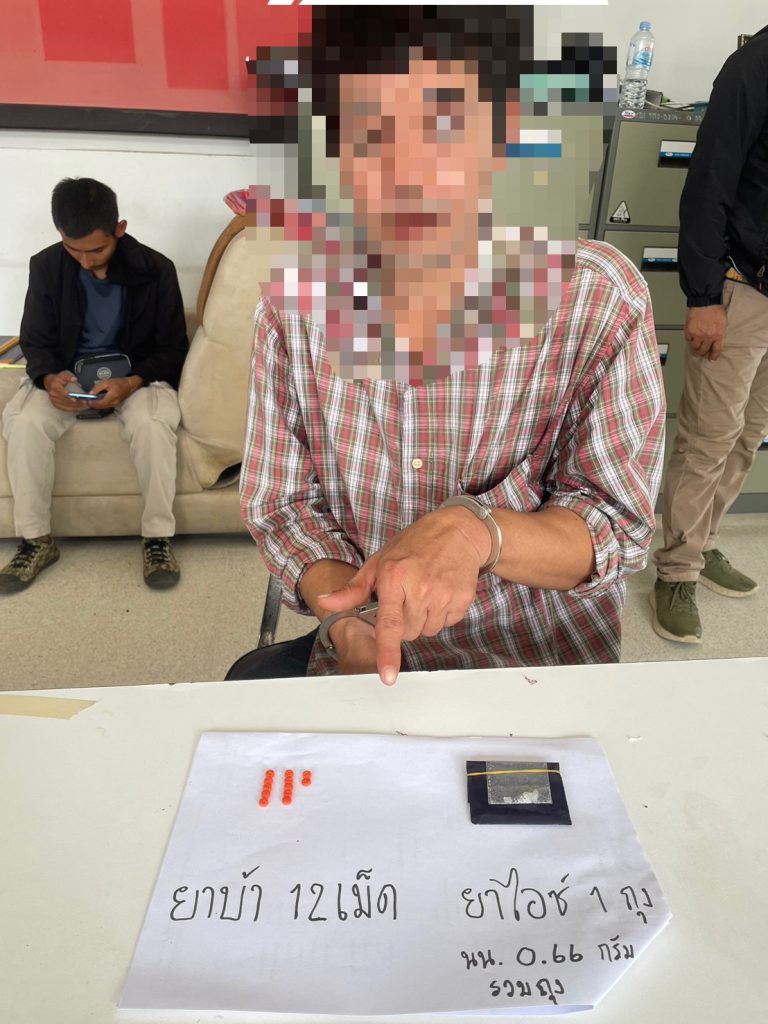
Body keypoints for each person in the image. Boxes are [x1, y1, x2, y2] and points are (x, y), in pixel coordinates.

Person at [237, 6, 665, 683]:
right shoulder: (293, 311)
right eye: (369, 135)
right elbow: (283, 508)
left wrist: (479, 531)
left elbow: (617, 525)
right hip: (363, 661)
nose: (406, 173)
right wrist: (350, 621)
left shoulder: (596, 299)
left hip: (539, 671)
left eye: (443, 126)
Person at [0, 177, 188, 592]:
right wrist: (49, 377)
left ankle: (157, 538)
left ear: (119, 228)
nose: (85, 262)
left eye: (97, 250)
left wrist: (132, 382)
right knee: (25, 423)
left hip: (136, 375)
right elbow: (35, 340)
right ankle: (37, 541)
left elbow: (174, 349)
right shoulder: (46, 266)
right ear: (60, 234)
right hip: (68, 375)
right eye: (73, 250)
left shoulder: (157, 269)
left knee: (152, 424)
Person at [651, 28, 768, 644]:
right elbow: (708, 185)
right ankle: (676, 570)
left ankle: (704, 541)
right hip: (740, 287)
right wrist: (703, 297)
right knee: (708, 440)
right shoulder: (753, 67)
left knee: (748, 434)